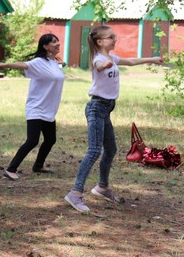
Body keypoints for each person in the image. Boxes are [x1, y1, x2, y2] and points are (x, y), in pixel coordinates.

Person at [64, 25, 163, 212]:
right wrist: (105, 66)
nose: (115, 40)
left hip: (106, 109)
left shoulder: (112, 58)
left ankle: (102, 187)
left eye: (114, 37)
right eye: (111, 37)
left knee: (110, 150)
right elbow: (98, 66)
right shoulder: (98, 59)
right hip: (96, 107)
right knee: (94, 151)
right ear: (100, 42)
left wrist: (152, 59)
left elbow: (131, 61)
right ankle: (75, 193)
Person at [0, 33, 65, 180]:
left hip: (49, 109)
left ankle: (38, 165)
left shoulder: (54, 63)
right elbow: (24, 65)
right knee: (32, 140)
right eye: (53, 42)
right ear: (45, 46)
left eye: (57, 41)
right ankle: (11, 169)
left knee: (50, 139)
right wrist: (5, 65)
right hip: (36, 108)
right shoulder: (39, 62)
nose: (57, 44)